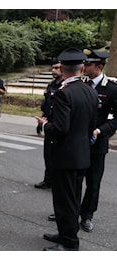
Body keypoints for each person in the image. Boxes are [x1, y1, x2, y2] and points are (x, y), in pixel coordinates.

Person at [36, 47, 98, 251]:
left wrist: (45, 125)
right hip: (81, 154)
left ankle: (69, 242)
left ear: (62, 69)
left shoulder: (64, 94)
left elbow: (61, 129)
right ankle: (65, 233)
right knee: (72, 198)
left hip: (66, 156)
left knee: (65, 201)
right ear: (81, 68)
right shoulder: (90, 90)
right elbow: (91, 123)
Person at [79, 48, 117, 233]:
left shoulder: (111, 89)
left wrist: (100, 131)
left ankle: (87, 216)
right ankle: (70, 211)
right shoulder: (81, 85)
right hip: (78, 143)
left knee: (93, 183)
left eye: (89, 64)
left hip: (97, 143)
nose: (84, 66)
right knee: (74, 180)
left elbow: (116, 118)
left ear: (99, 67)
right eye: (84, 63)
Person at [34, 58, 63, 190]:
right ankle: (48, 179)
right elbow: (46, 104)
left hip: (60, 124)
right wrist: (42, 121)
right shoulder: (51, 85)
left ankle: (57, 181)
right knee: (48, 154)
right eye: (53, 68)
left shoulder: (65, 87)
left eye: (57, 68)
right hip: (49, 123)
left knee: (58, 155)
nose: (54, 70)